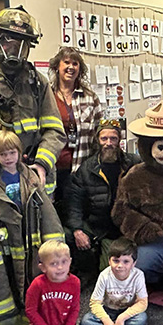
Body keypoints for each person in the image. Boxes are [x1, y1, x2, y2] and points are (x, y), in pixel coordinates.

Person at [0, 130, 64, 325]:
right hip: (4, 242)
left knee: (30, 273)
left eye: (12, 153)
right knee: (11, 275)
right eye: (3, 154)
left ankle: (31, 311)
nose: (8, 158)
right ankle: (9, 315)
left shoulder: (30, 177)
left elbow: (48, 214)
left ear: (19, 152)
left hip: (29, 237)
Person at [0, 6, 66, 200]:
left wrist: (42, 162)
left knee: (45, 228)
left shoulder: (38, 82)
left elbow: (55, 131)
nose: (14, 49)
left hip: (32, 173)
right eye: (7, 41)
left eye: (22, 43)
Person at [66, 120, 140, 281]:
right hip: (98, 226)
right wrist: (77, 230)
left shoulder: (134, 164)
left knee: (116, 272)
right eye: (104, 139)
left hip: (125, 227)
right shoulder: (86, 169)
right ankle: (87, 272)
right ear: (97, 141)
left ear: (119, 140)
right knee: (69, 236)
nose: (108, 143)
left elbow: (157, 168)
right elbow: (75, 204)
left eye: (113, 139)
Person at [4, 240, 90, 325]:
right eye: (53, 264)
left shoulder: (75, 282)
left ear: (70, 261)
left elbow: (74, 310)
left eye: (64, 262)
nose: (60, 267)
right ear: (43, 267)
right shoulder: (37, 284)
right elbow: (31, 310)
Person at [49, 47, 103, 221]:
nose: (71, 67)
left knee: (78, 216)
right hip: (53, 167)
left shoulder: (90, 97)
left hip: (81, 167)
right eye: (66, 62)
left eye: (75, 63)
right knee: (53, 215)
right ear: (57, 66)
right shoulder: (46, 96)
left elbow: (99, 132)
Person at [80, 237, 155, 325]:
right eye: (116, 261)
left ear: (134, 263)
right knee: (86, 321)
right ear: (109, 261)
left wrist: (121, 318)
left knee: (141, 319)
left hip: (127, 312)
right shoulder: (104, 276)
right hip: (108, 310)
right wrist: (106, 320)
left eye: (126, 262)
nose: (120, 266)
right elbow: (95, 302)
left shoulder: (138, 275)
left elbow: (142, 303)